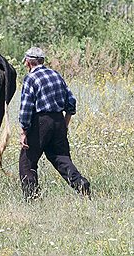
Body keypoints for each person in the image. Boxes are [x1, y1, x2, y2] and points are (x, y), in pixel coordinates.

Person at [18, 47, 91, 199]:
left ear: (28, 62)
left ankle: (32, 198)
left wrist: (24, 131)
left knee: (27, 161)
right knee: (61, 158)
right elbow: (71, 101)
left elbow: (26, 107)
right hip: (58, 120)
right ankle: (81, 184)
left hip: (40, 122)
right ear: (42, 61)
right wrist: (64, 123)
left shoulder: (30, 79)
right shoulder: (55, 74)